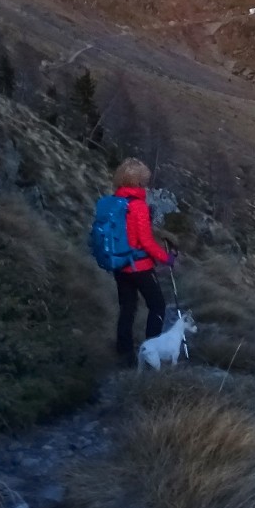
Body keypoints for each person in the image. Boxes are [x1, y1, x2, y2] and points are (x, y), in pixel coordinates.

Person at [110, 157, 174, 366]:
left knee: (127, 307)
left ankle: (124, 352)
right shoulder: (137, 206)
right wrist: (166, 258)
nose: (146, 183)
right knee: (157, 305)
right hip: (139, 266)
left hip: (119, 265)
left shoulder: (114, 201)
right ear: (138, 181)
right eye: (144, 179)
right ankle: (151, 349)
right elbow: (145, 241)